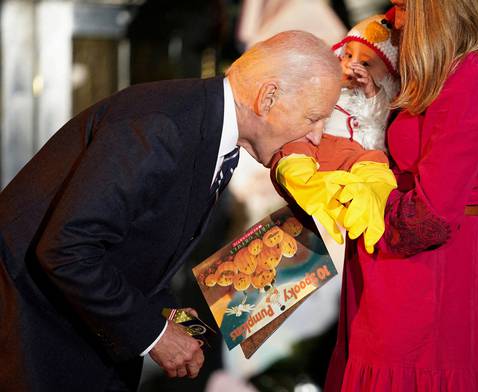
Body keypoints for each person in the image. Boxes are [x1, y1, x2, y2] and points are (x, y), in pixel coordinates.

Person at [0, 30, 340, 392]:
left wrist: (168, 315)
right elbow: (67, 249)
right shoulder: (163, 127)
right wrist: (154, 334)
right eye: (313, 118)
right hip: (34, 330)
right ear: (268, 97)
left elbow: (133, 242)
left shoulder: (208, 126)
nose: (317, 136)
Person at [324, 0, 478, 390]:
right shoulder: (443, 65)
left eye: (402, 6)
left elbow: (427, 220)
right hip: (389, 257)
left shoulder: (477, 73)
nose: (390, 17)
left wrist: (347, 181)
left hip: (422, 273)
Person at [271, 14, 400, 253]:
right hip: (317, 145)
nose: (352, 65)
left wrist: (371, 92)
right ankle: (300, 176)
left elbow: (379, 127)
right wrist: (333, 83)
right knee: (295, 147)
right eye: (348, 55)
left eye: (367, 63)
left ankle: (366, 193)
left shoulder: (381, 100)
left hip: (351, 158)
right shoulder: (330, 85)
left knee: (375, 161)